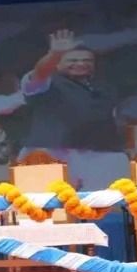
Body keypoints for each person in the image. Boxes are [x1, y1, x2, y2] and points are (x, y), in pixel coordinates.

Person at [18, 30, 128, 190]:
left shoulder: (104, 87)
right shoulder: (45, 83)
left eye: (87, 60)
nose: (81, 64)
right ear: (57, 64)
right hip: (52, 153)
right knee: (47, 201)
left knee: (107, 200)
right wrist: (54, 54)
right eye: (73, 60)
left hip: (101, 153)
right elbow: (40, 72)